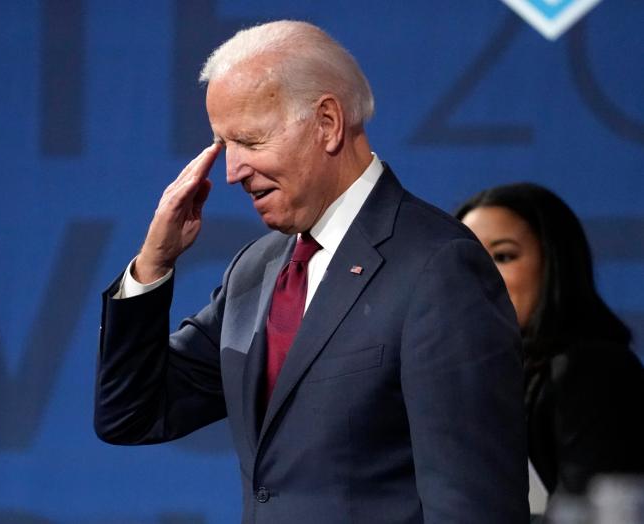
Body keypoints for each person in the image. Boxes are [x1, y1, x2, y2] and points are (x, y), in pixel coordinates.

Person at [95, 21, 529, 523]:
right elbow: (131, 414)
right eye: (223, 145)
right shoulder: (255, 271)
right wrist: (154, 264)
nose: (232, 170)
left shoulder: (437, 267)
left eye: (250, 141)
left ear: (327, 123)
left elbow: (472, 506)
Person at [456, 183, 644, 505]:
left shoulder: (593, 371)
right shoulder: (469, 377)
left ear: (554, 263)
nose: (481, 275)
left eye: (503, 256)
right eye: (466, 259)